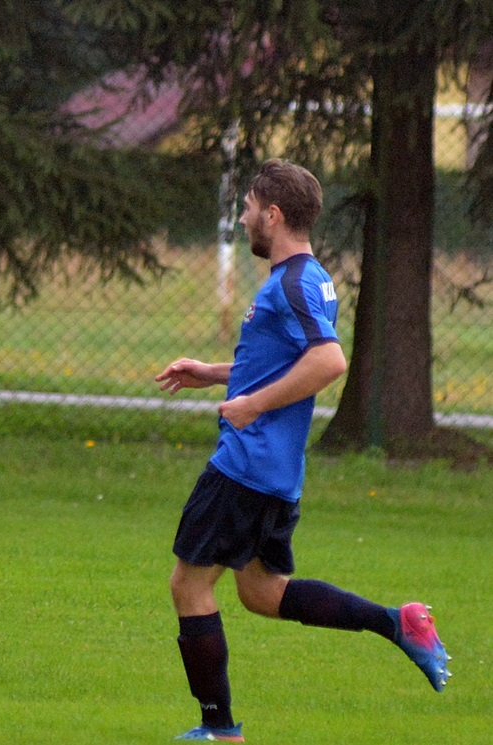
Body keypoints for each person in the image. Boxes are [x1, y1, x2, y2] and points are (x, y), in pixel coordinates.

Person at [153, 159, 451, 742]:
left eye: (247, 208)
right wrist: (214, 374)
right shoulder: (310, 278)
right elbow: (283, 360)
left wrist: (253, 406)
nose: (242, 220)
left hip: (247, 464)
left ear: (274, 214)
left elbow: (329, 360)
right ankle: (399, 624)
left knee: (189, 586)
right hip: (276, 470)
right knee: (261, 593)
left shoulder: (290, 283)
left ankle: (220, 730)